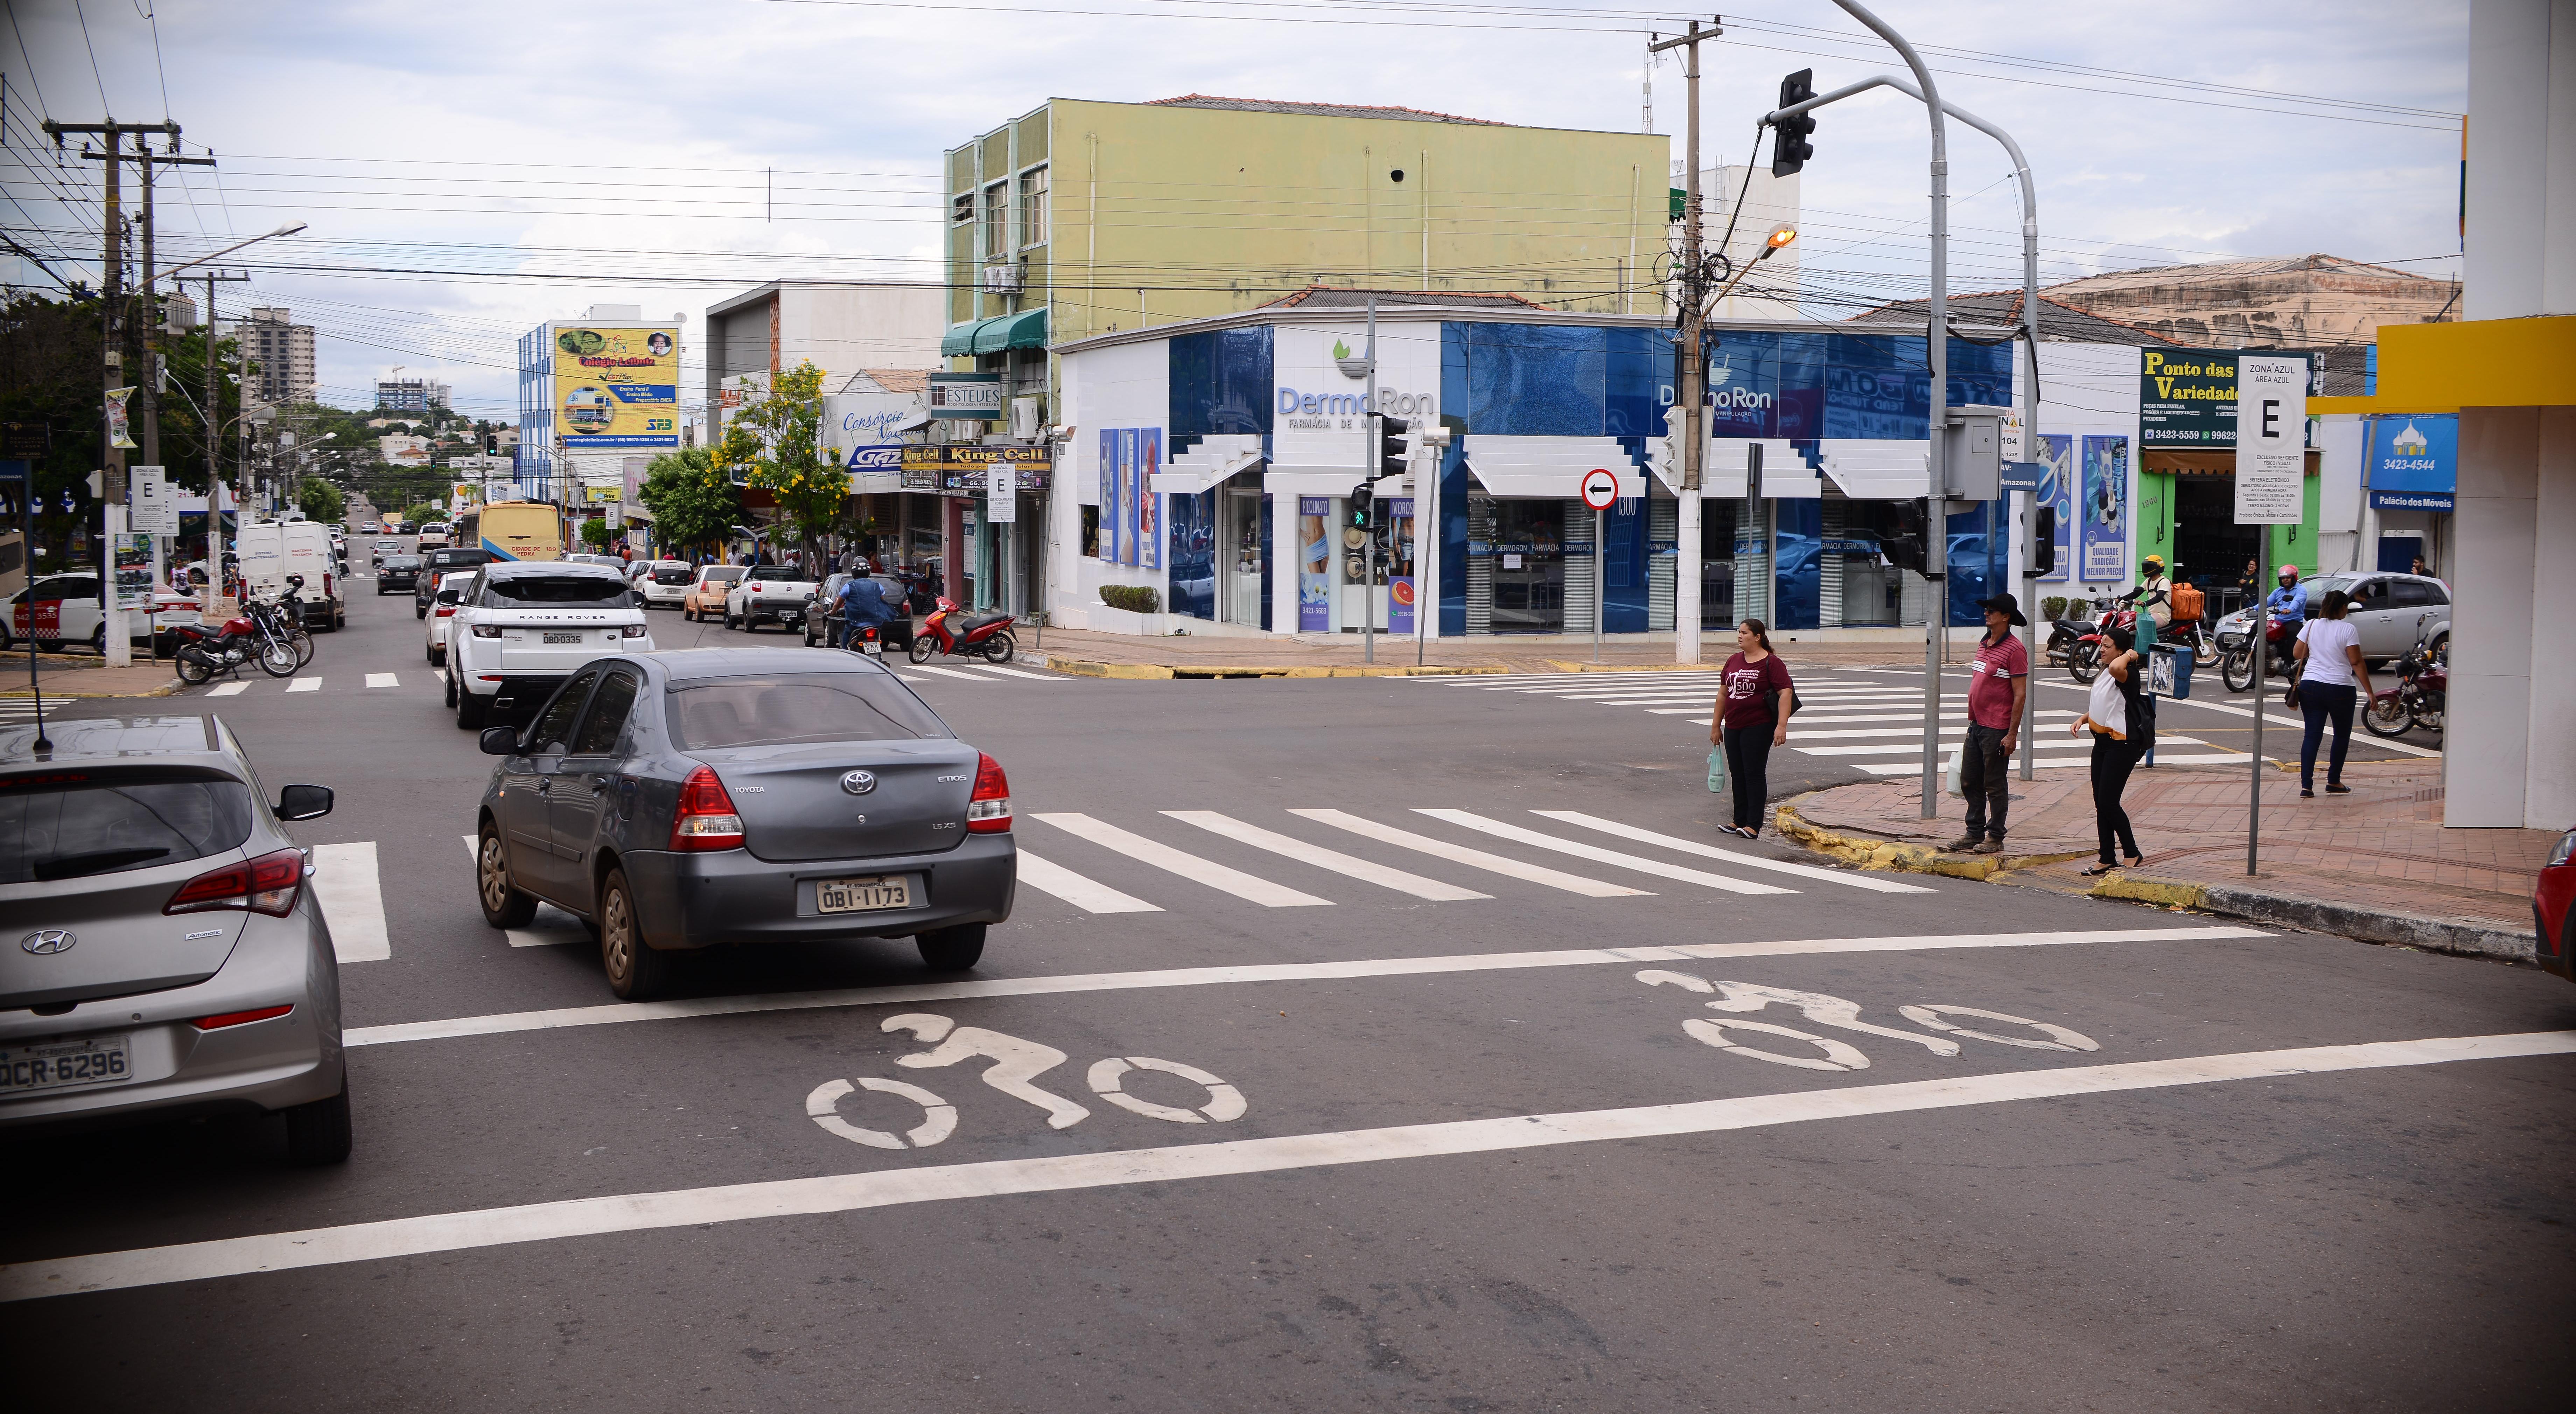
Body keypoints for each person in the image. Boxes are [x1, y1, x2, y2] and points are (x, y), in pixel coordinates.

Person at [1948, 593, 2029, 854]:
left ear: (2006, 617)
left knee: (1994, 783)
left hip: (1997, 728)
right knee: (1970, 780)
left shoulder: (2015, 649)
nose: (1986, 613)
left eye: (1992, 611)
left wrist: (2011, 734)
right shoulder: (1985, 642)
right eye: (1986, 610)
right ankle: (1974, 832)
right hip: (1977, 724)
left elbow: (2020, 694)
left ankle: (1995, 836)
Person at [2071, 623, 2147, 876]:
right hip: (2102, 743)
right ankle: (2106, 857)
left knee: (2109, 802)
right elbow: (2107, 704)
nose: (2101, 649)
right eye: (2101, 645)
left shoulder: (2126, 673)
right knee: (2100, 803)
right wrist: (2084, 718)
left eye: (2107, 646)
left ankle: (2132, 852)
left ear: (2122, 651)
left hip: (2123, 744)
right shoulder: (2107, 672)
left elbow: (2117, 667)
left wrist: (2131, 654)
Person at [1710, 619, 1794, 841]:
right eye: (1738, 632)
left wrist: (1781, 726)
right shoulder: (1733, 660)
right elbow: (1723, 694)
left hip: (1759, 726)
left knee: (1753, 774)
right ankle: (1739, 820)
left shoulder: (1772, 663)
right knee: (1737, 774)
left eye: (1744, 633)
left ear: (1757, 637)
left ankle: (1754, 824)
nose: (1739, 636)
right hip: (1733, 725)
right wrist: (1716, 726)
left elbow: (1786, 693)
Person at [2292, 588, 2373, 799]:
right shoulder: (2348, 629)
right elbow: (2356, 662)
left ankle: (2306, 786)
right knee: (2341, 735)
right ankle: (2333, 781)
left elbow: (2298, 653)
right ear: (2343, 608)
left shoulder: (2311, 625)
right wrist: (2371, 694)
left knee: (2311, 735)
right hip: (2340, 688)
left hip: (2311, 686)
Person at [835, 565, 898, 649]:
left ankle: (846, 653)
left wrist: (833, 612)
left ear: (853, 573)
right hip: (877, 623)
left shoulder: (849, 587)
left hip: (856, 623)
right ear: (868, 572)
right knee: (877, 637)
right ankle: (878, 657)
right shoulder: (878, 586)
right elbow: (882, 601)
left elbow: (838, 604)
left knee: (846, 632)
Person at [2132, 555, 2173, 634]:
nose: (2146, 569)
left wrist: (2145, 603)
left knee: (2144, 625)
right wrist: (2120, 599)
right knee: (2134, 623)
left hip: (2163, 616)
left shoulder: (2164, 581)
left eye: (2148, 567)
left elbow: (2159, 597)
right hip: (2151, 614)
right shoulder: (2148, 581)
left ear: (2157, 567)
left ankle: (2148, 645)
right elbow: (2136, 594)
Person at [2264, 564, 2309, 632]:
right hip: (2278, 622)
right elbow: (2267, 603)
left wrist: (2289, 610)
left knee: (2292, 631)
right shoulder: (2278, 591)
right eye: (2283, 578)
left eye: (2288, 578)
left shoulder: (2301, 590)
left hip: (2293, 622)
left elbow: (2297, 602)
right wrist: (2253, 609)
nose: (2285, 580)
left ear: (2294, 578)